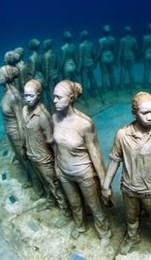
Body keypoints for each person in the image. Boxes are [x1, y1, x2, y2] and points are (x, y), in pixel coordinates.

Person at [102, 92, 151, 260]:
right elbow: (114, 160)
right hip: (129, 188)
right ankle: (133, 238)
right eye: (145, 113)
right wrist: (106, 185)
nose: (150, 117)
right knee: (131, 218)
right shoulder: (122, 135)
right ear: (134, 113)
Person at [52, 80, 111, 245]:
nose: (54, 101)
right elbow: (57, 146)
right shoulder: (54, 118)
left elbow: (95, 153)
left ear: (70, 98)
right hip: (64, 172)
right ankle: (80, 225)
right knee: (75, 203)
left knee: (94, 205)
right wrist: (57, 167)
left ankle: (103, 230)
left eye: (58, 97)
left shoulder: (84, 124)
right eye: (53, 97)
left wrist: (104, 182)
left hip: (84, 174)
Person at [22, 79, 71, 227]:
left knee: (54, 185)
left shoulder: (43, 116)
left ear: (39, 95)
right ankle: (50, 201)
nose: (28, 99)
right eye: (25, 95)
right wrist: (25, 149)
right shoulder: (24, 111)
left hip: (44, 158)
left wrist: (57, 162)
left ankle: (66, 212)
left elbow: (51, 141)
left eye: (31, 95)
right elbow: (26, 133)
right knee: (45, 183)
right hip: (32, 155)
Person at [97, 25, 117, 91]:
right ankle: (113, 87)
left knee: (104, 74)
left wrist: (96, 59)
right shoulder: (112, 39)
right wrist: (116, 58)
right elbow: (114, 50)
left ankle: (105, 88)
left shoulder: (101, 40)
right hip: (111, 57)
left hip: (103, 57)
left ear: (103, 32)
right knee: (111, 73)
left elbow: (100, 51)